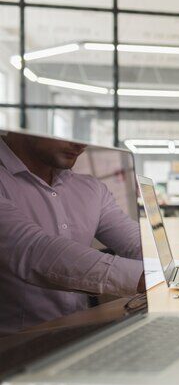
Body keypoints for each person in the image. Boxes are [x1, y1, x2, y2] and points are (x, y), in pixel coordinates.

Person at [0, 132, 144, 335]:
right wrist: (143, 277)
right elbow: (34, 251)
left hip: (75, 337)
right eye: (64, 130)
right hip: (12, 350)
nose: (80, 143)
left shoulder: (90, 188)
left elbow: (134, 241)